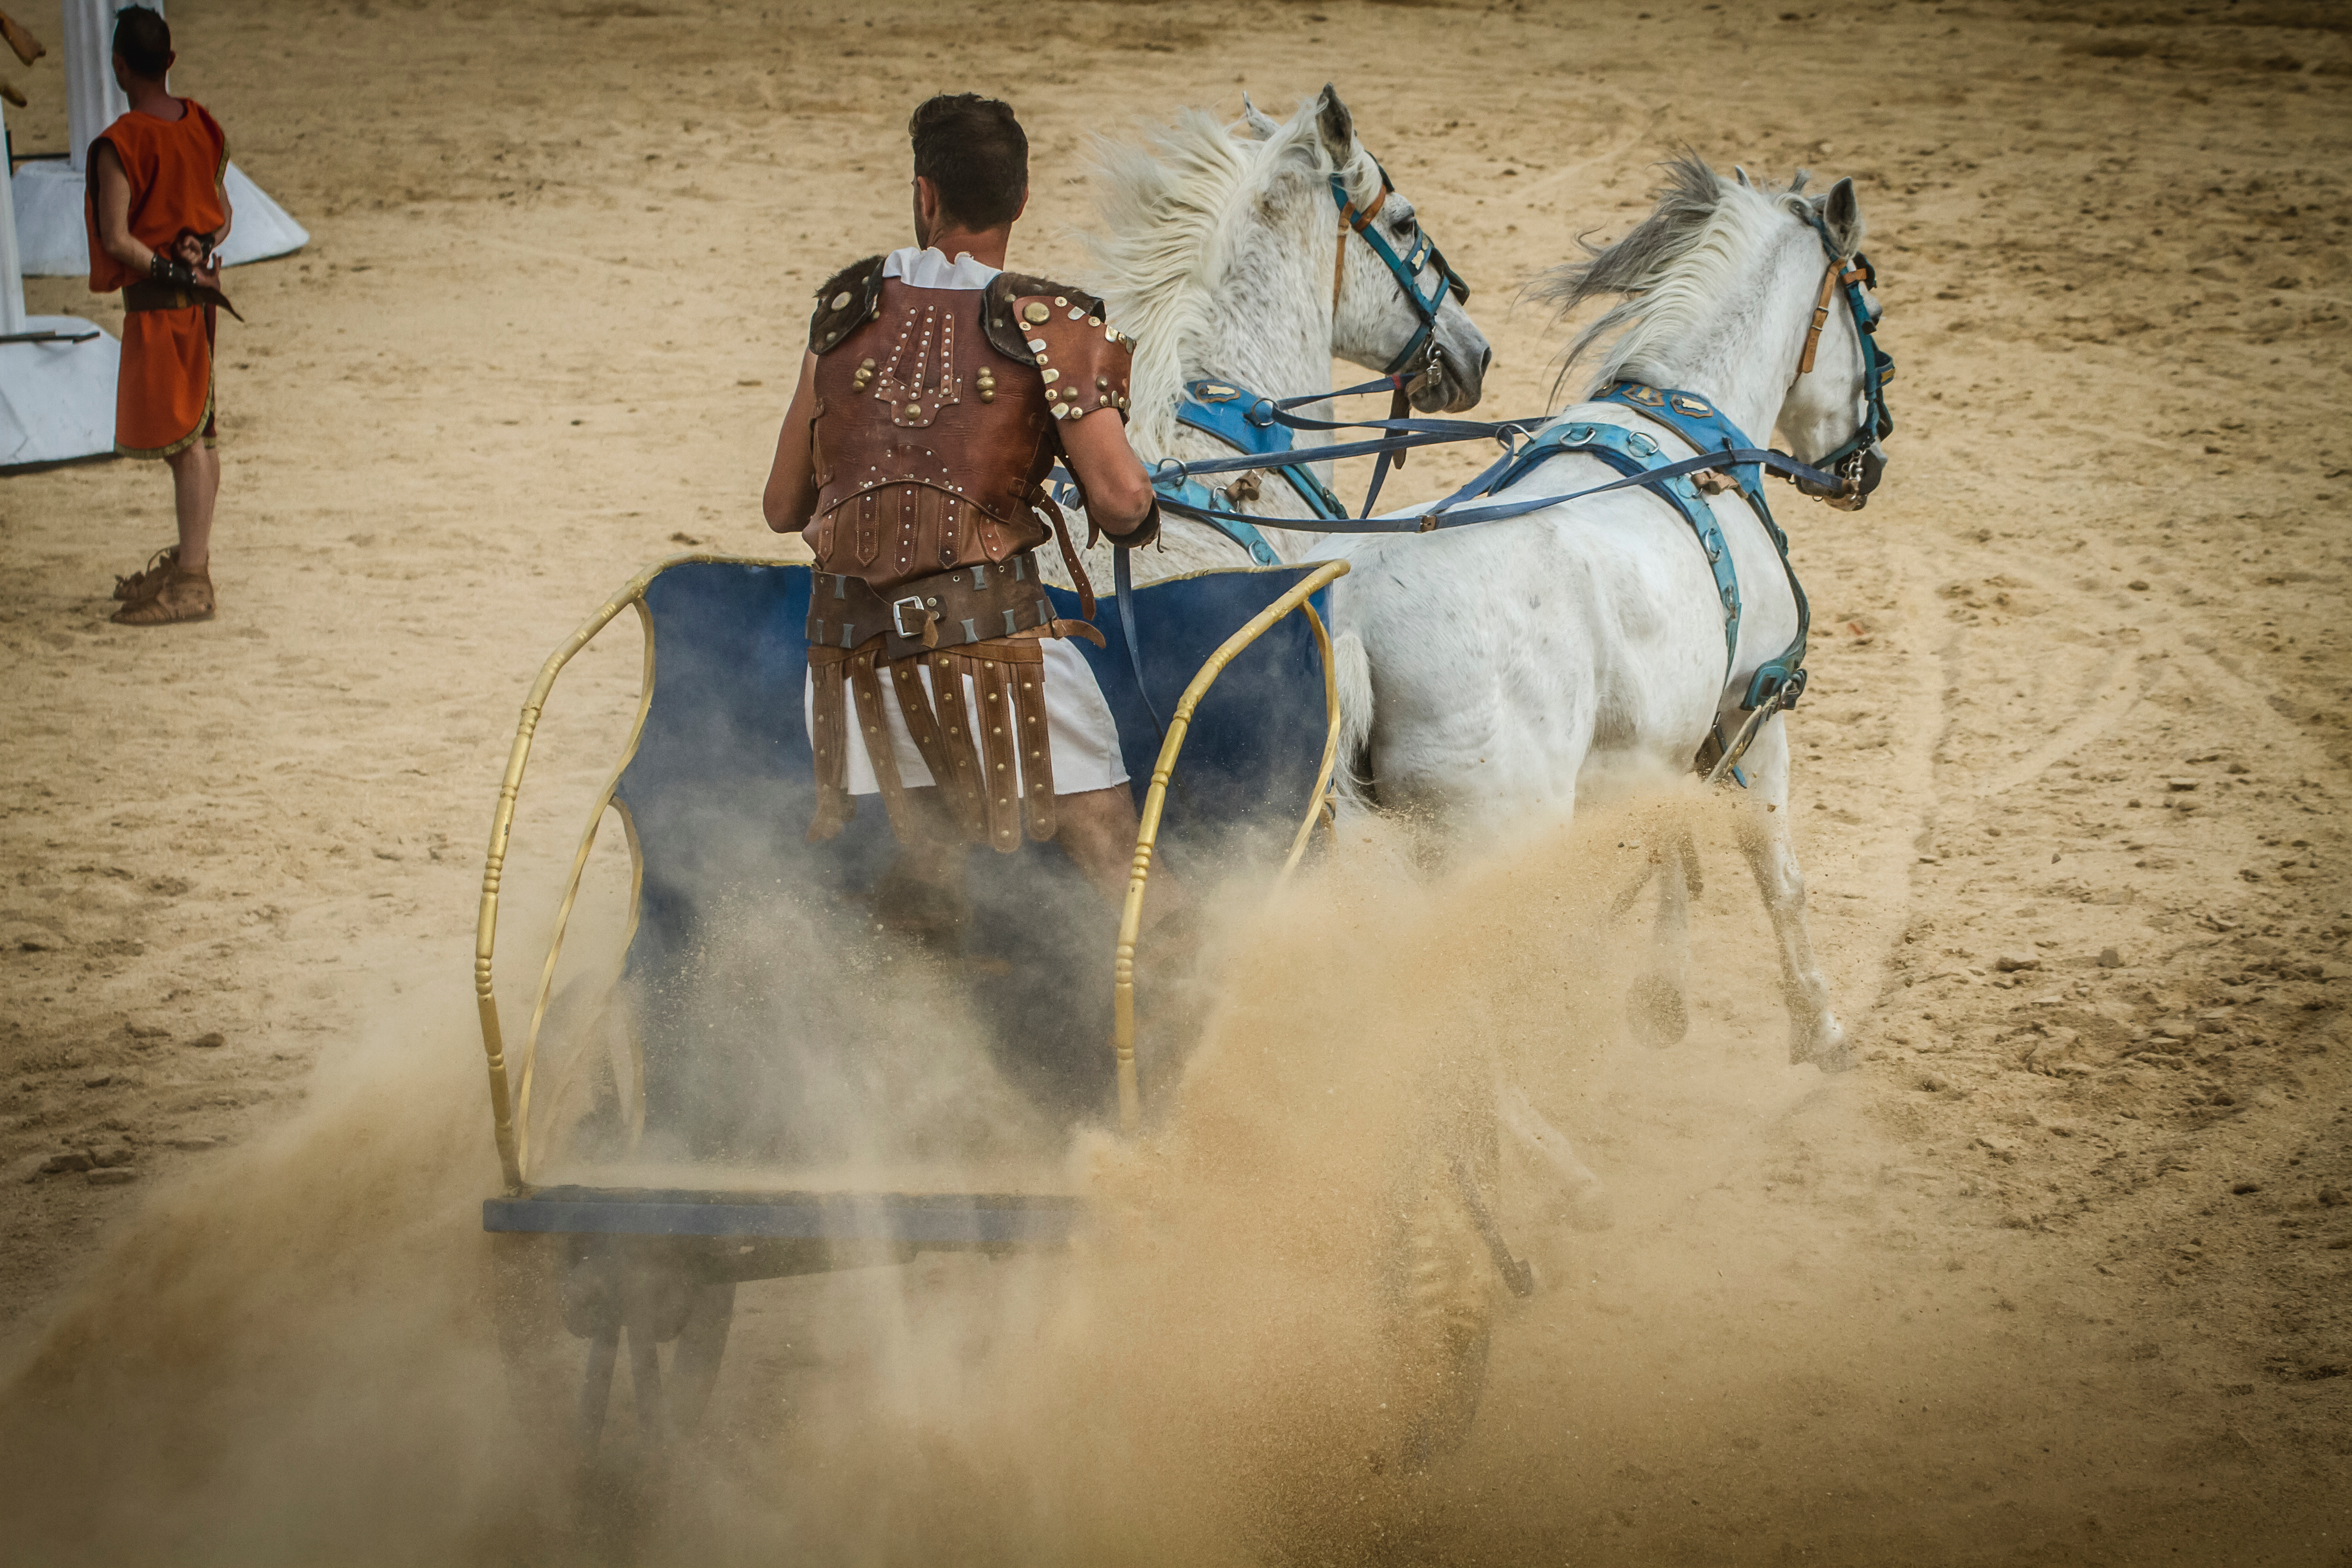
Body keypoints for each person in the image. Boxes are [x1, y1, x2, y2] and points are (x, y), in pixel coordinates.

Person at [762, 92, 1172, 943]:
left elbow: (781, 508)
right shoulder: (1049, 323)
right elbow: (1124, 502)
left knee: (930, 867)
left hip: (850, 672)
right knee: (1117, 858)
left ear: (925, 196)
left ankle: (924, 1023)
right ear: (1021, 202)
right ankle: (1199, 1022)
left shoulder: (842, 314)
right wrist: (1135, 507)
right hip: (995, 665)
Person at [84, 4, 231, 627]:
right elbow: (222, 212)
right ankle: (189, 561)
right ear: (168, 61)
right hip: (198, 302)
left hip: (163, 307)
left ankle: (193, 578)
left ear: (119, 66)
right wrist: (199, 245)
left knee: (188, 442)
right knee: (199, 431)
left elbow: (118, 240)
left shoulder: (124, 142)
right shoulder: (200, 123)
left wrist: (172, 267)